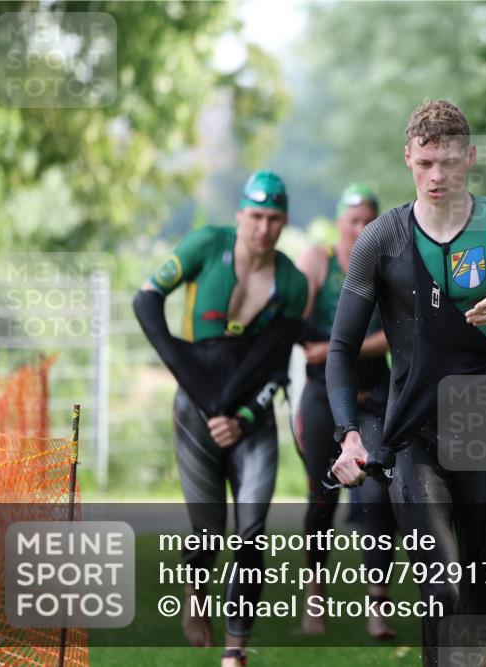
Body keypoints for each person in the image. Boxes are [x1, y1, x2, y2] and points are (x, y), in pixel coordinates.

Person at [325, 100, 486, 666]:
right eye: (424, 163)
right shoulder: (381, 239)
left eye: (448, 162)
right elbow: (342, 349)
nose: (437, 176)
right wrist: (349, 434)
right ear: (407, 159)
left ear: (469, 157)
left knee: (480, 615)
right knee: (442, 592)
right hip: (414, 438)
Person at [133, 171, 309, 667]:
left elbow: (277, 365)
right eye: (255, 217)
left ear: (284, 222)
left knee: (253, 531)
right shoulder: (208, 245)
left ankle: (236, 650)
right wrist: (187, 375)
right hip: (194, 410)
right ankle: (196, 591)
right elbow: (145, 300)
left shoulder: (292, 282)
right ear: (240, 216)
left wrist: (247, 414)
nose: (263, 228)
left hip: (251, 418)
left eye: (274, 219)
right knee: (207, 531)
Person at [293, 182, 398, 639]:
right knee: (323, 495)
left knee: (378, 495)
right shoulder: (319, 260)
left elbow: (398, 335)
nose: (360, 229)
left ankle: (378, 604)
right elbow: (291, 317)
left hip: (375, 393)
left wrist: (339, 349)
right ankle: (315, 597)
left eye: (367, 221)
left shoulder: (387, 267)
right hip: (323, 395)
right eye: (352, 220)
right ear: (339, 223)